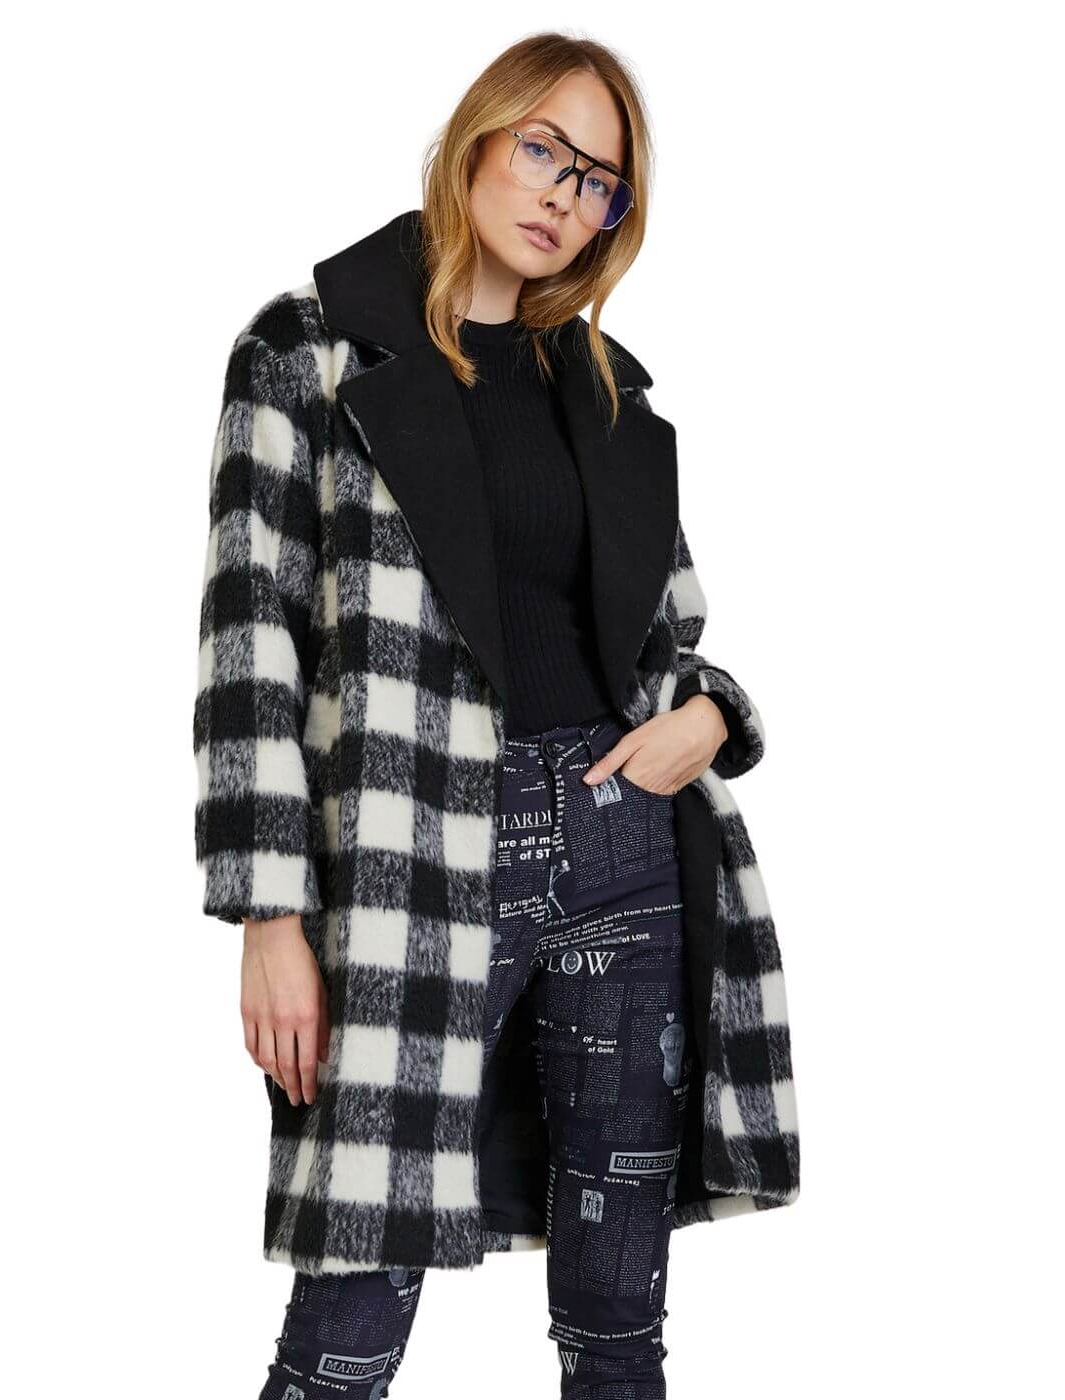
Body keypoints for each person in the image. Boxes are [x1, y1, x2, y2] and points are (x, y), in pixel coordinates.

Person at [193, 30, 800, 1400]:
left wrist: (711, 719)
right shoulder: (306, 351)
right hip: (411, 862)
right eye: (546, 151)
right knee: (345, 1331)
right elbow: (248, 651)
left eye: (600, 183)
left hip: (624, 843)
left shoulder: (603, 381)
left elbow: (672, 632)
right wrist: (269, 917)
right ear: (480, 135)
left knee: (617, 1331)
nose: (565, 198)